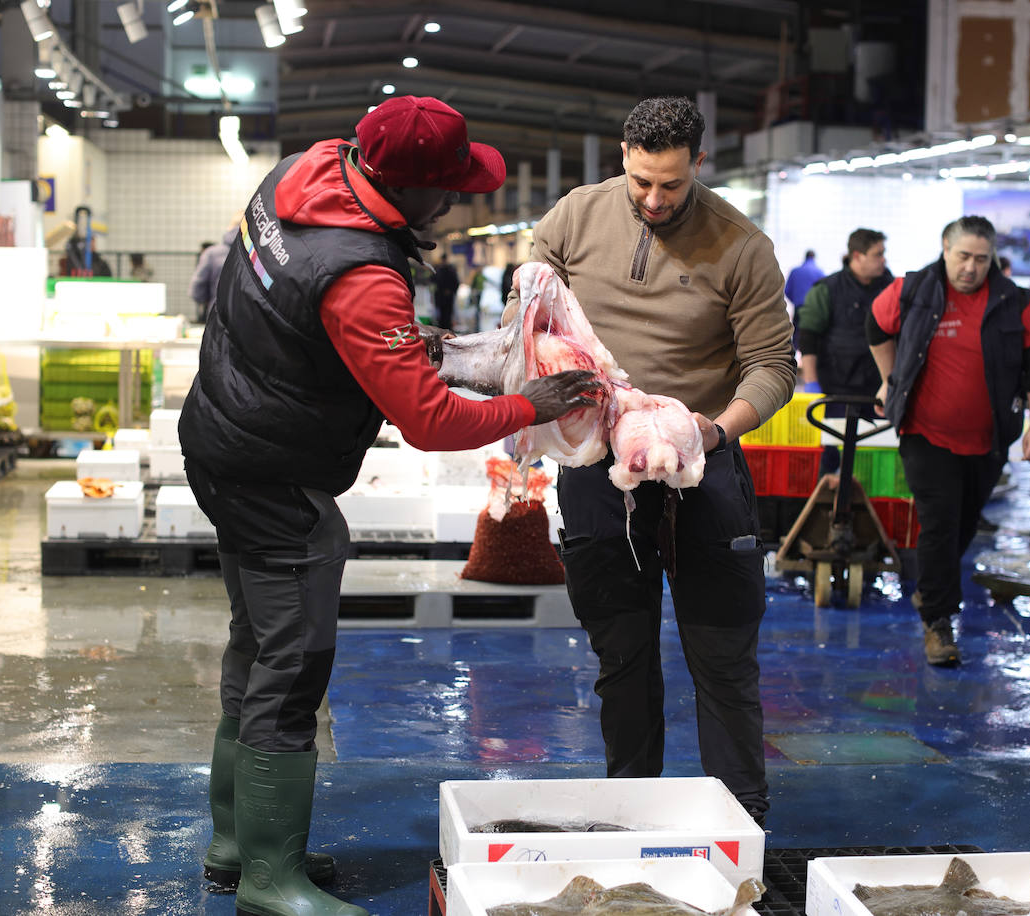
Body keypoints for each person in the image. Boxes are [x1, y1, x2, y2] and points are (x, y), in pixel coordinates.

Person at [178, 95, 598, 916]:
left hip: (223, 439)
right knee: (292, 668)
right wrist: (532, 405)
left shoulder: (306, 171)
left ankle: (237, 846)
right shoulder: (363, 276)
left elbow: (302, 321)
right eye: (445, 190)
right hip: (274, 475)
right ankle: (269, 880)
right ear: (404, 189)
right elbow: (431, 421)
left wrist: (400, 350)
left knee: (254, 647)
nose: (453, 203)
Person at [507, 96, 795, 825]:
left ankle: (741, 827)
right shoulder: (574, 217)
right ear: (623, 159)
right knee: (622, 659)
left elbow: (771, 367)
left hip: (704, 466)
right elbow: (528, 310)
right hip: (599, 472)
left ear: (699, 162)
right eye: (640, 182)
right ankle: (633, 813)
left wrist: (714, 430)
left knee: (724, 661)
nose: (654, 199)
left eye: (671, 184)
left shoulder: (742, 244)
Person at [868, 216, 1030, 667]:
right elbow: (876, 327)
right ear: (945, 249)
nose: (970, 267)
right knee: (940, 523)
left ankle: (933, 593)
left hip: (988, 439)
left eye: (981, 259)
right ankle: (938, 621)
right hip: (924, 433)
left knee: (965, 525)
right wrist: (889, 381)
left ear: (993, 260)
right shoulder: (914, 290)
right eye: (963, 256)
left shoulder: (1015, 302)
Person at [793, 228, 893, 477]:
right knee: (829, 459)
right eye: (877, 254)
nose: (884, 260)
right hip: (836, 394)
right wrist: (812, 383)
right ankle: (826, 508)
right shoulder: (827, 289)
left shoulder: (892, 290)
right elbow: (809, 338)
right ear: (857, 256)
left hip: (878, 394)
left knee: (875, 462)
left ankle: (868, 510)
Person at [190, 221, 236, 324]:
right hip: (252, 318)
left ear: (229, 229)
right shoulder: (261, 252)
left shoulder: (212, 253)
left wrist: (208, 302)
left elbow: (197, 287)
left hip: (217, 314)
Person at [786, 249, 825, 357]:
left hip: (798, 307)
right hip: (813, 309)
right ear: (814, 258)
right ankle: (807, 360)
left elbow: (787, 290)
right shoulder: (819, 272)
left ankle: (793, 359)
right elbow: (824, 294)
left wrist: (796, 300)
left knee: (796, 332)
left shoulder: (795, 271)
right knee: (810, 334)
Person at [432, 253, 459, 329]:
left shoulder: (449, 270)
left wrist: (450, 291)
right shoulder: (438, 269)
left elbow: (455, 282)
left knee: (447, 314)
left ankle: (447, 328)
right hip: (441, 296)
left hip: (447, 297)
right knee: (442, 314)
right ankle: (442, 328)